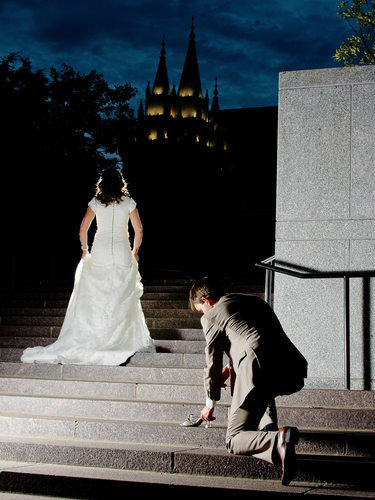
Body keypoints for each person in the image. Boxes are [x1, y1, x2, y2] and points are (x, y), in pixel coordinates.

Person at [21, 167, 155, 365]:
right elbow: (139, 229)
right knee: (119, 294)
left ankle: (94, 335)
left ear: (102, 183)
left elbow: (83, 227)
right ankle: (116, 337)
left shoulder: (96, 203)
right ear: (120, 182)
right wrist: (135, 251)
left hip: (100, 250)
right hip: (121, 251)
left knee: (97, 295)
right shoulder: (128, 202)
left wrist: (85, 249)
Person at [189, 277, 308, 486]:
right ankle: (271, 432)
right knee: (263, 392)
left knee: (233, 439)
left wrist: (210, 404)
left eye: (201, 310)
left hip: (256, 369)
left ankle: (277, 440)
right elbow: (252, 338)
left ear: (206, 300)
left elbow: (212, 362)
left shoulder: (212, 316)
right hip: (286, 366)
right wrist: (230, 369)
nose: (203, 315)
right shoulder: (254, 301)